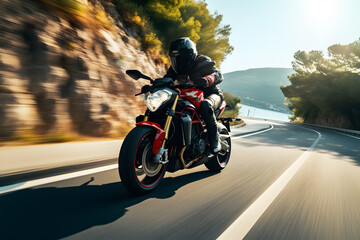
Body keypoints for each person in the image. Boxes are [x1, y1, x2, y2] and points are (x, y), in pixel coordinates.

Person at [164, 37, 224, 153]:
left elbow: (218, 74)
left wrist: (207, 80)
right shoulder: (175, 69)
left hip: (211, 95)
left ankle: (214, 138)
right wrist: (156, 84)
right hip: (190, 95)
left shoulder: (202, 61)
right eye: (174, 58)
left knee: (205, 105)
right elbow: (166, 79)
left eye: (179, 58)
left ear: (188, 55)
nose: (176, 61)